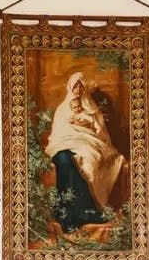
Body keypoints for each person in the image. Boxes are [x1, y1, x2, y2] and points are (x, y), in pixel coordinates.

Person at [44, 71, 126, 232]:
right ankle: (67, 213)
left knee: (83, 160)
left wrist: (87, 127)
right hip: (63, 144)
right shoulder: (62, 109)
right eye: (75, 86)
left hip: (88, 142)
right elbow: (58, 132)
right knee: (64, 160)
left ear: (84, 88)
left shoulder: (91, 108)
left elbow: (100, 132)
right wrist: (73, 130)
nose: (78, 90)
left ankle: (81, 213)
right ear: (70, 87)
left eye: (81, 87)